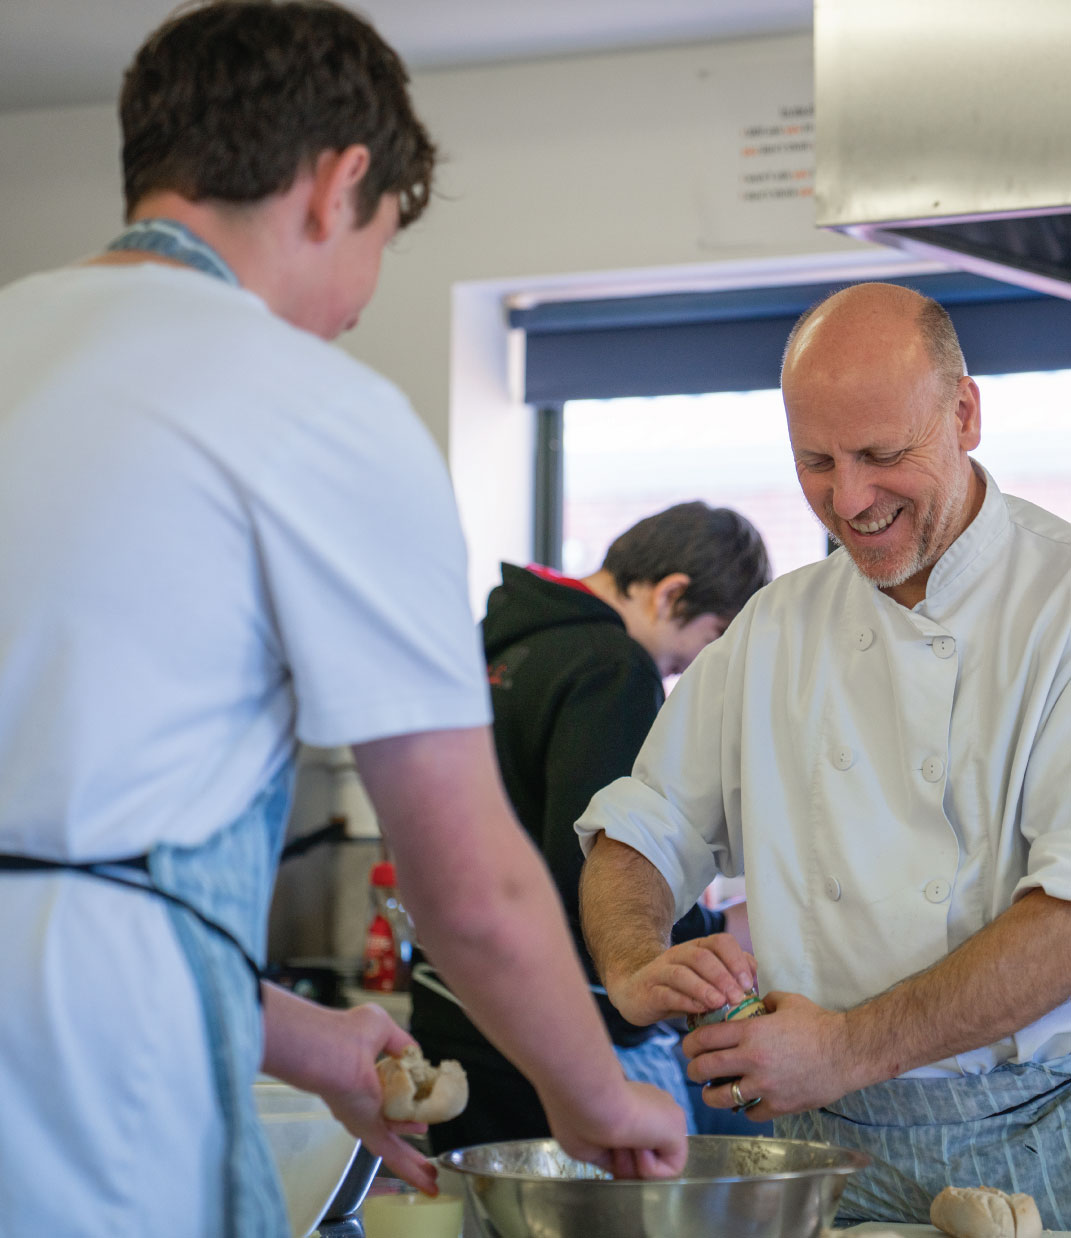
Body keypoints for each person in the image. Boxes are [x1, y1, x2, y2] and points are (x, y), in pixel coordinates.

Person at [0, 4, 687, 1235]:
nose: (362, 297)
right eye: (379, 241)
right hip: (94, 1090)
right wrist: (593, 1095)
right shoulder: (310, 406)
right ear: (339, 182)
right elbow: (466, 885)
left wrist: (306, 1035)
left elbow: (58, 857)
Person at [574, 282, 1071, 1227]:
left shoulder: (1060, 609)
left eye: (882, 455)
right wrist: (638, 957)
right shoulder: (776, 625)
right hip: (794, 1145)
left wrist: (845, 1048)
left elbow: (1066, 918)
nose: (849, 500)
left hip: (1024, 1140)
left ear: (964, 414)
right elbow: (641, 825)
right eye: (815, 461)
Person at [409, 503, 771, 1152]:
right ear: (670, 595)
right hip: (565, 1030)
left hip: (454, 1005)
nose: (690, 668)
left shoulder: (501, 638)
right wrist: (713, 933)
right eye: (710, 638)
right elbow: (599, 861)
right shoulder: (612, 668)